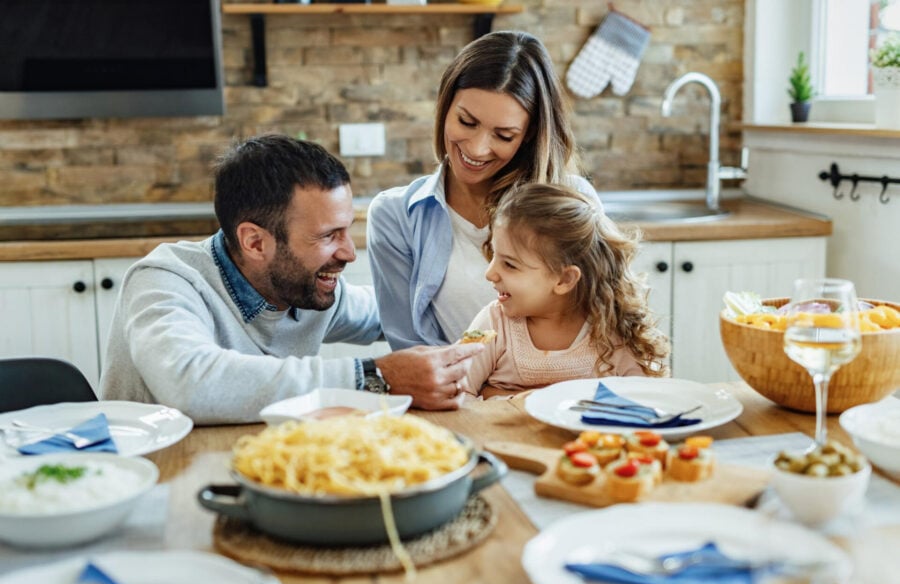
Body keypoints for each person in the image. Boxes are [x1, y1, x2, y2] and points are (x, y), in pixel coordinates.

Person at [100, 135, 482, 424]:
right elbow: (190, 383)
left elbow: (403, 312)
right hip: (153, 482)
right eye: (328, 236)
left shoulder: (307, 290)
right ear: (254, 241)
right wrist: (375, 375)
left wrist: (511, 308)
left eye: (347, 230)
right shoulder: (165, 280)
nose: (349, 253)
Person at [367, 30, 600, 350]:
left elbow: (607, 319)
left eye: (503, 136)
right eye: (466, 121)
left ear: (529, 135)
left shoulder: (575, 203)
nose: (477, 149)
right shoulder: (396, 216)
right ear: (445, 106)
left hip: (559, 394)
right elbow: (413, 353)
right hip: (458, 397)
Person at [459, 183, 670, 402]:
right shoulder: (494, 324)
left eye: (510, 265)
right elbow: (457, 393)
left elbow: (647, 399)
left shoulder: (610, 330)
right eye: (494, 255)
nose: (490, 273)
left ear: (564, 279)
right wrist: (516, 401)